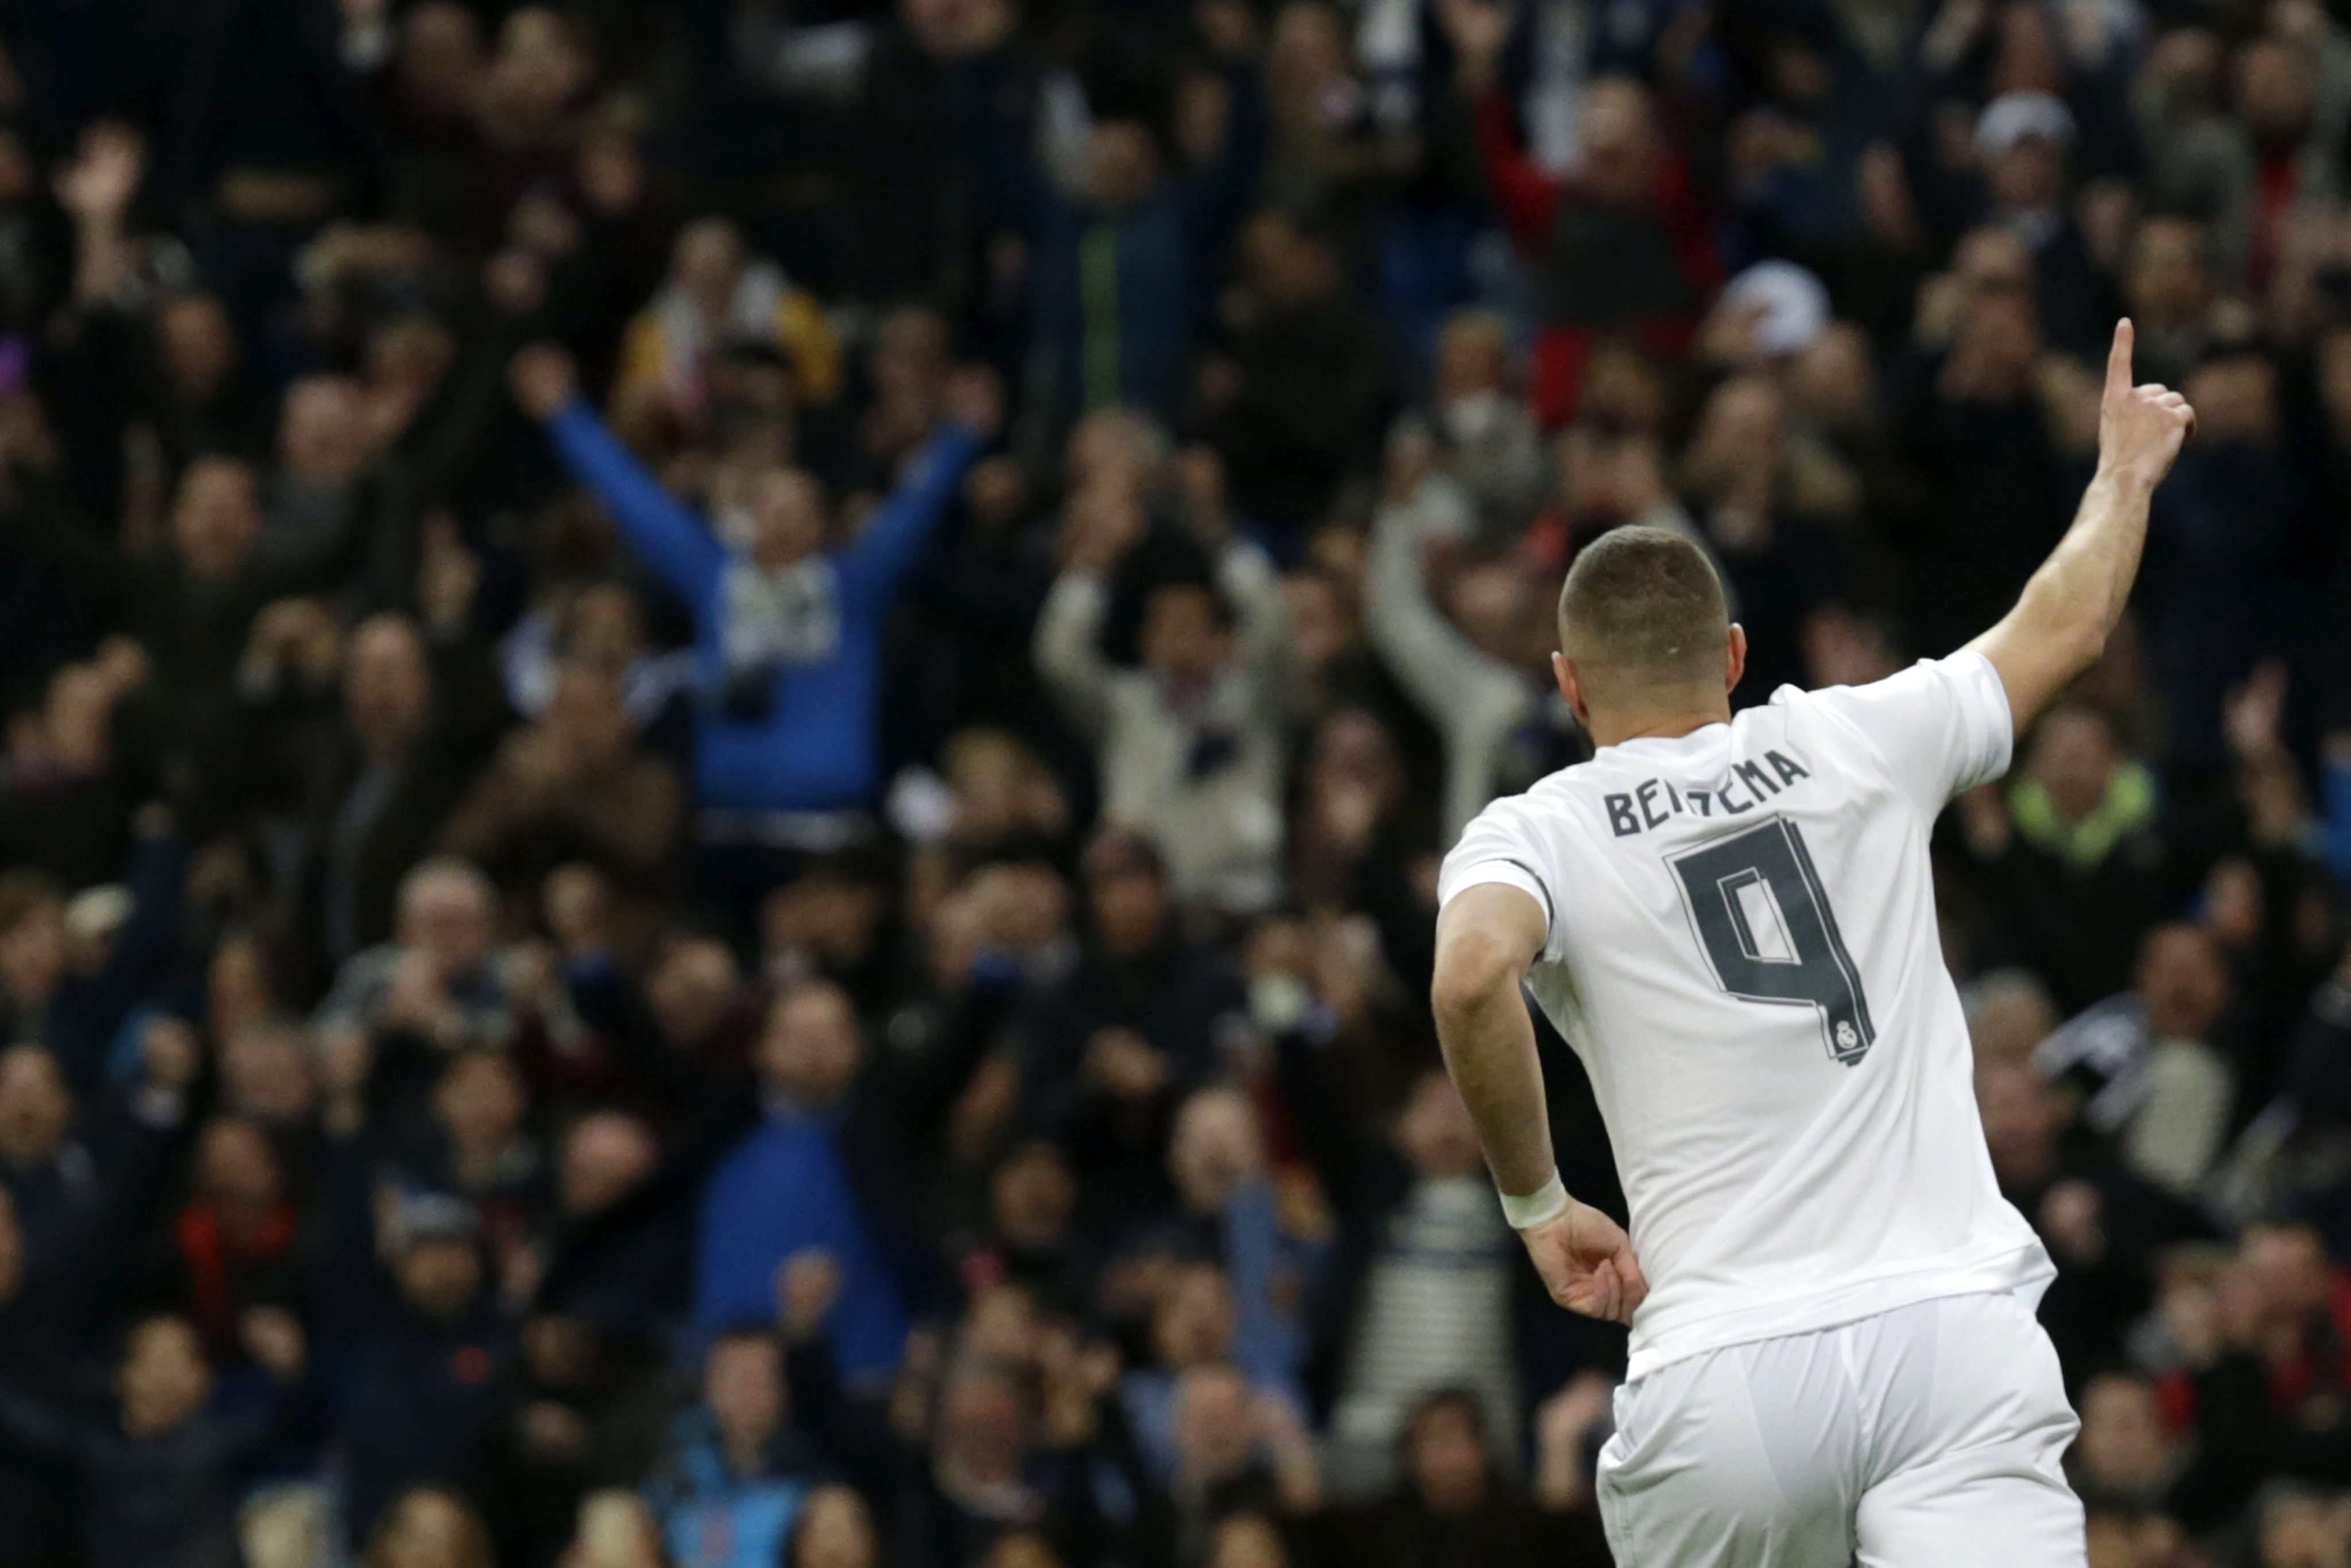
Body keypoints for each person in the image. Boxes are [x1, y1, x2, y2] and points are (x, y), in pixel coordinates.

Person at [1425, 319, 2196, 1562]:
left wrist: (1535, 1201)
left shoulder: (1536, 830)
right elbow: (2061, 628)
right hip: (1951, 1335)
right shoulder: (1854, 738)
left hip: (1727, 1371)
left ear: (1568, 685)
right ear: (1731, 658)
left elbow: (1468, 978)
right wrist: (2121, 475)